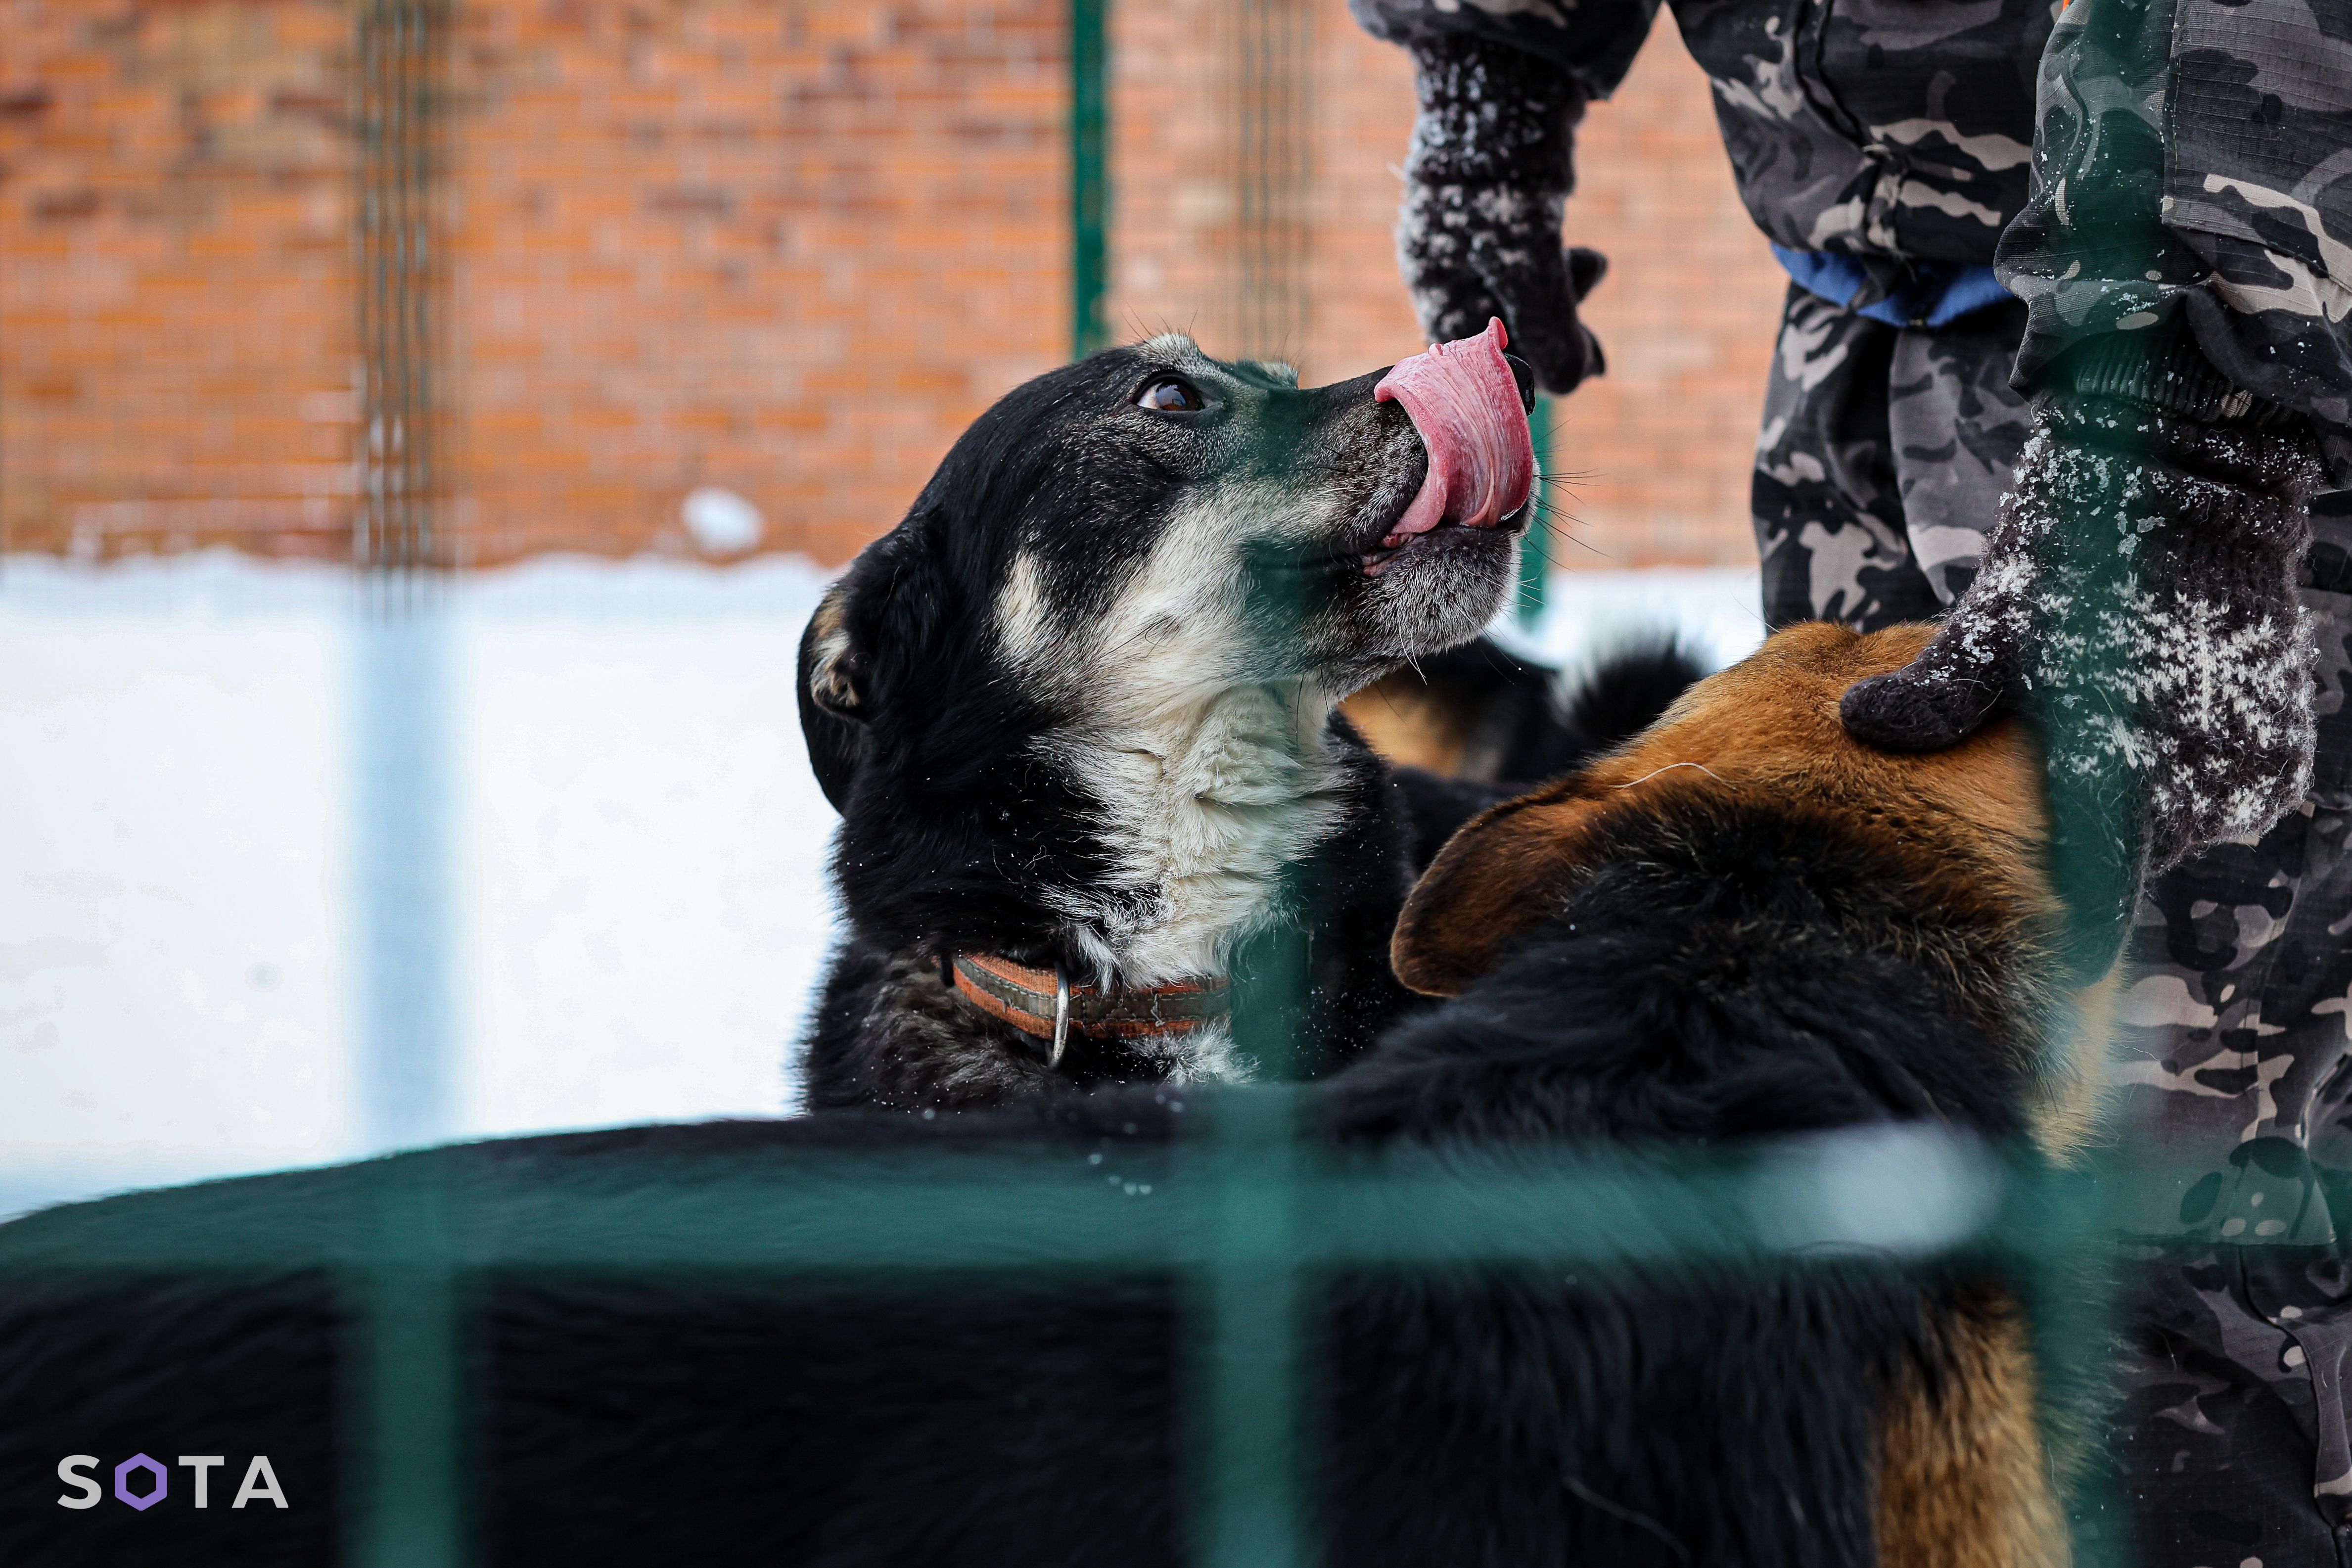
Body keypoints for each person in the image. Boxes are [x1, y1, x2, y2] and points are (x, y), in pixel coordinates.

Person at [1348, 0, 2352, 1559]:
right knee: (1849, 1183)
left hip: (2225, 375)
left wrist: (2197, 426)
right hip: (1856, 339)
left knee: (2165, 1200)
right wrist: (1495, 71)